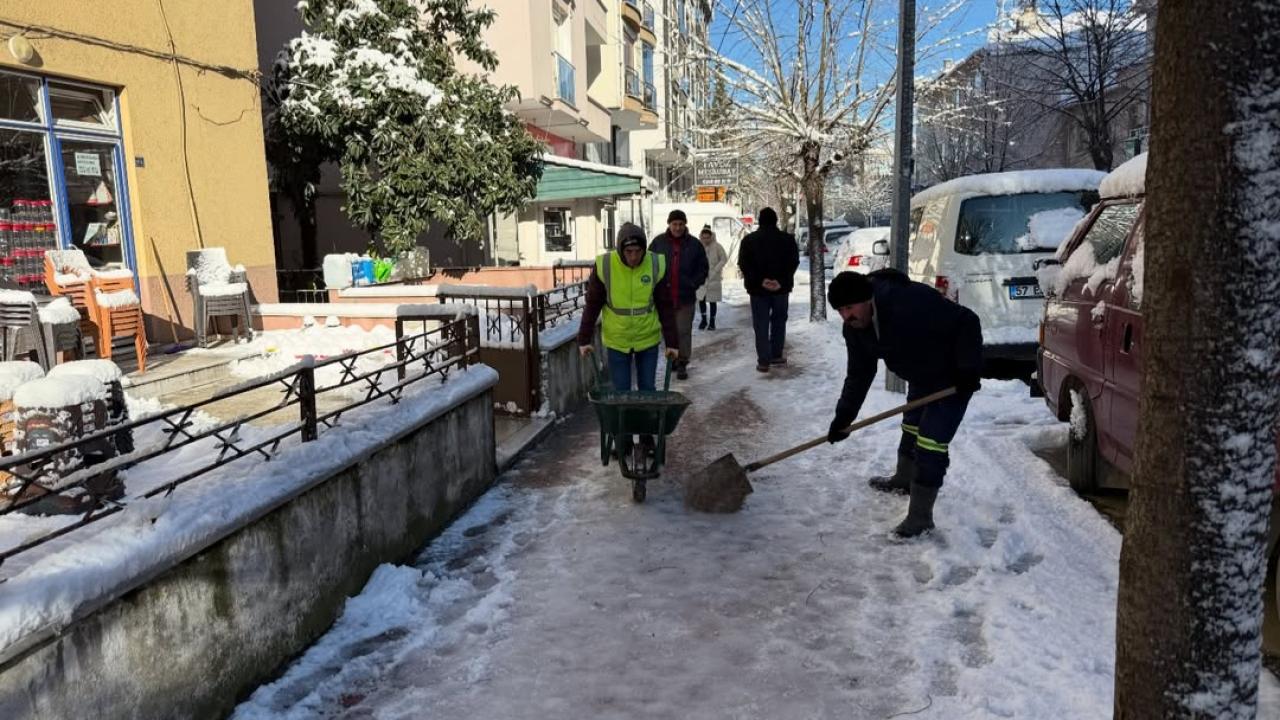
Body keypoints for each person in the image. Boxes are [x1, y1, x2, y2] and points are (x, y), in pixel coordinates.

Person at [826, 269, 983, 538]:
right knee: (911, 425)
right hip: (921, 374)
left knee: (931, 442)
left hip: (952, 377)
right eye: (840, 310)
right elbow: (859, 374)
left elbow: (967, 321)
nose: (846, 316)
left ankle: (920, 518)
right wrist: (844, 417)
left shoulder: (907, 303)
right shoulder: (855, 329)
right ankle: (903, 479)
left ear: (867, 299)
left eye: (849, 307)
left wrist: (968, 369)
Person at [578, 222, 681, 394]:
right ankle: (624, 422)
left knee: (647, 390)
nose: (634, 257)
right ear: (620, 250)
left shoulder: (655, 264)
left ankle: (646, 421)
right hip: (617, 339)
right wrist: (584, 339)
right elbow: (593, 304)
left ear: (644, 249)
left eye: (638, 251)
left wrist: (672, 343)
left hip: (647, 337)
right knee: (621, 391)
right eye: (628, 252)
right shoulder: (606, 265)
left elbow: (665, 306)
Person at [737, 207, 799, 373]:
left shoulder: (749, 241)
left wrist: (761, 281)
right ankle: (776, 354)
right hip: (781, 289)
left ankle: (763, 360)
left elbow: (744, 264)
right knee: (779, 321)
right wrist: (780, 281)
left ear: (760, 220)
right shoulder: (787, 240)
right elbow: (793, 262)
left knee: (761, 323)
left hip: (758, 290)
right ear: (776, 220)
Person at [650, 209, 709, 380]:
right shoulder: (658, 243)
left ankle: (682, 362)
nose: (678, 227)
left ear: (685, 225)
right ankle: (672, 359)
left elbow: (703, 268)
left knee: (683, 330)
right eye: (675, 224)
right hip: (664, 297)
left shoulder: (694, 244)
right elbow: (648, 264)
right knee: (668, 330)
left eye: (681, 224)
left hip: (685, 297)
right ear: (669, 224)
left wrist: (693, 283)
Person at [696, 225, 728, 330]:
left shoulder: (717, 246)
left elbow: (724, 258)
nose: (706, 240)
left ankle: (712, 322)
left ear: (711, 236)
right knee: (701, 299)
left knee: (712, 301)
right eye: (703, 237)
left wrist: (716, 269)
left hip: (713, 278)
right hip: (701, 277)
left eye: (707, 237)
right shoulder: (698, 246)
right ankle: (704, 320)